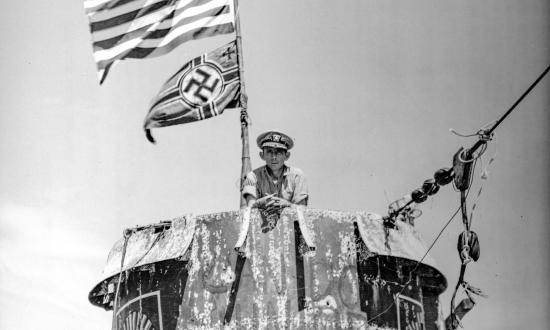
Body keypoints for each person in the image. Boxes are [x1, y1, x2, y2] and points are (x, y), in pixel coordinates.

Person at [242, 130, 308, 231]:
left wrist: (286, 205)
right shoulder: (252, 176)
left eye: (279, 152)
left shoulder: (297, 176)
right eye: (269, 152)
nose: (274, 157)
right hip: (261, 232)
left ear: (287, 156)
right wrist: (261, 203)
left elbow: (302, 210)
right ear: (262, 155)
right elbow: (249, 208)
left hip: (291, 231)